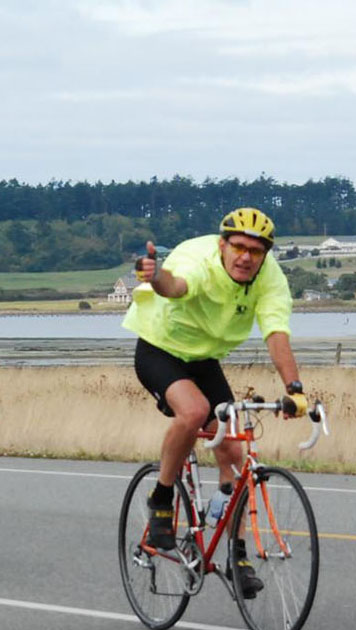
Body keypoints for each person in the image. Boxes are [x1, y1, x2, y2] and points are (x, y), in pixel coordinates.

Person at [123, 207, 309, 598]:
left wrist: (294, 389)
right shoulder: (198, 259)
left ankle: (237, 555)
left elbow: (276, 332)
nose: (245, 257)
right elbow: (175, 286)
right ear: (222, 245)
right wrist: (155, 277)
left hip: (204, 358)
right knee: (192, 412)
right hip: (160, 349)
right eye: (238, 247)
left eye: (255, 252)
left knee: (234, 450)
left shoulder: (270, 278)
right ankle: (161, 498)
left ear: (265, 255)